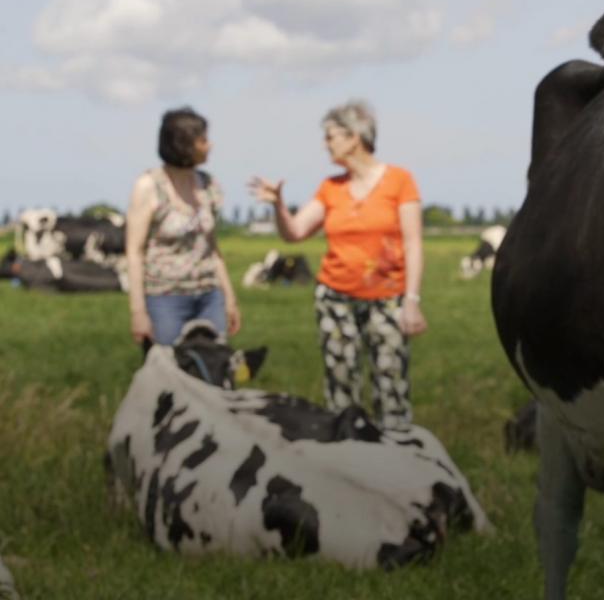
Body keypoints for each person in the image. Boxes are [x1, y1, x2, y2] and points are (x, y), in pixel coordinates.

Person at [249, 100, 426, 430]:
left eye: (330, 136)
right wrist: (278, 206)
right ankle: (346, 456)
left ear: (354, 136)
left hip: (388, 299)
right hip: (335, 300)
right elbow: (295, 233)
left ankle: (398, 459)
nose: (325, 144)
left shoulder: (400, 181)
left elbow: (414, 243)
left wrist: (412, 302)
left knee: (392, 385)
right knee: (340, 387)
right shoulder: (331, 188)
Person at [126, 107, 241, 346]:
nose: (210, 146)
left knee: (213, 370)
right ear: (183, 144)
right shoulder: (149, 186)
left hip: (209, 295)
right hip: (165, 298)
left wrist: (229, 298)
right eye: (203, 140)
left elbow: (212, 248)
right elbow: (134, 252)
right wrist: (138, 312)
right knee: (168, 372)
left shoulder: (209, 185)